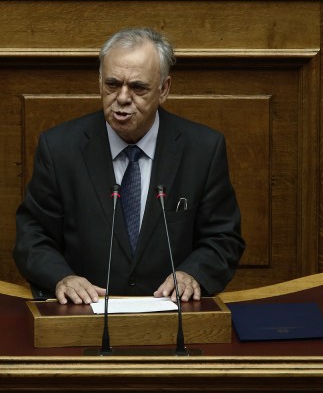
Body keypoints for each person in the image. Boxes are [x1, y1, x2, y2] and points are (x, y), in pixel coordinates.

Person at [13, 27, 245, 305]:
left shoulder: (203, 149)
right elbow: (32, 236)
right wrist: (62, 277)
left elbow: (223, 238)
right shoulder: (60, 148)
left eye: (138, 87)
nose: (122, 98)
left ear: (163, 89)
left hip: (173, 313)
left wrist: (193, 274)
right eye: (112, 85)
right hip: (84, 313)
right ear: (99, 81)